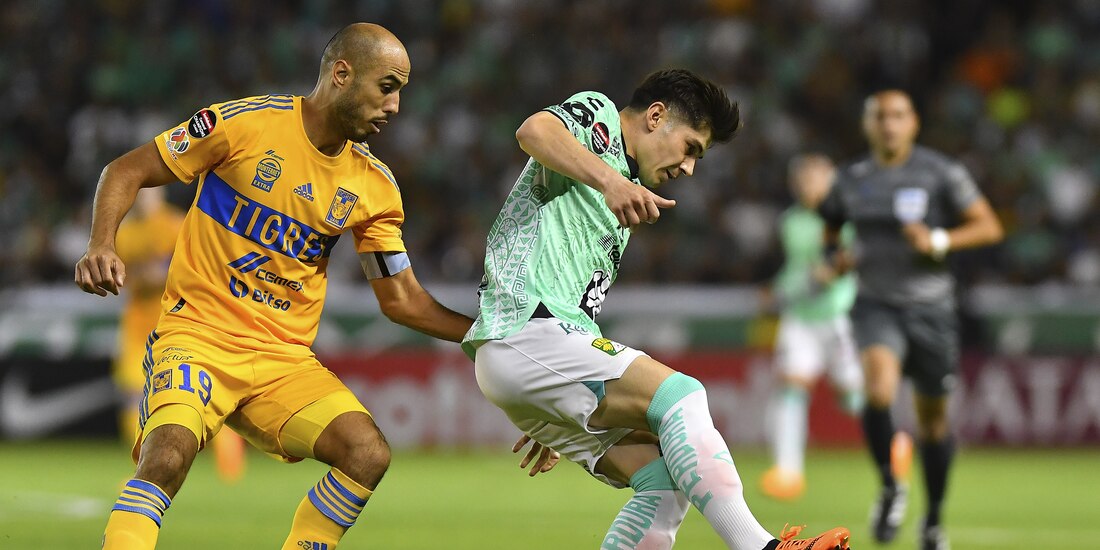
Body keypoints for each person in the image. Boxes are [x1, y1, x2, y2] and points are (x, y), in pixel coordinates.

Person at [76, 23, 476, 550]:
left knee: (366, 453)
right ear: (341, 74)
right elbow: (126, 170)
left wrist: (486, 334)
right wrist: (102, 242)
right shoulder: (243, 125)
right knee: (167, 456)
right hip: (198, 336)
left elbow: (401, 300)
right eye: (388, 86)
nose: (396, 106)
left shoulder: (373, 187)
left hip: (282, 360)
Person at [463, 69, 851, 550]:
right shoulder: (600, 118)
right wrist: (609, 181)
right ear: (655, 116)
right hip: (524, 333)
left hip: (544, 351)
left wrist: (561, 394)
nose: (689, 168)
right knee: (682, 397)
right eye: (691, 147)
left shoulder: (624, 189)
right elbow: (533, 131)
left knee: (666, 482)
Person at [818, 90, 1003, 550]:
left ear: (913, 123)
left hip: (932, 309)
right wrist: (835, 257)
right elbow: (830, 227)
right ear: (868, 125)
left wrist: (939, 240)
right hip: (875, 304)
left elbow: (989, 225)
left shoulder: (941, 173)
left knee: (934, 424)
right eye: (879, 116)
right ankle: (890, 484)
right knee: (878, 391)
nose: (888, 125)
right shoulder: (851, 178)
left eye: (898, 116)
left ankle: (934, 520)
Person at [113, 187, 247, 483]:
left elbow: (193, 266)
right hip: (136, 327)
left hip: (176, 322)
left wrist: (158, 275)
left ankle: (231, 469)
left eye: (149, 193)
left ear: (160, 195)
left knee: (200, 396)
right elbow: (123, 276)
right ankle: (142, 469)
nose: (143, 199)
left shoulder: (176, 225)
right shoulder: (124, 233)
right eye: (138, 193)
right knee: (134, 398)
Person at [758, 154, 869, 501]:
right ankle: (788, 472)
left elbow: (854, 255)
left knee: (852, 397)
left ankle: (891, 441)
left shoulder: (845, 216)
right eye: (802, 180)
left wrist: (836, 267)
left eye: (815, 179)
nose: (807, 186)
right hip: (800, 318)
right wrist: (776, 289)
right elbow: (796, 268)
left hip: (838, 316)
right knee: (791, 387)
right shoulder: (790, 221)